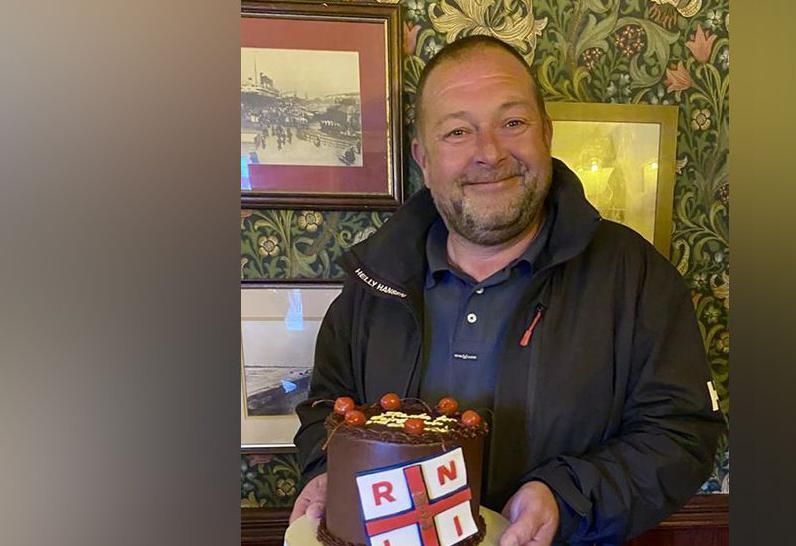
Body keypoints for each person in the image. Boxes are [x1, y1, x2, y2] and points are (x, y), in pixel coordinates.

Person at [290, 35, 724, 545]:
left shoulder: (637, 277)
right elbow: (327, 411)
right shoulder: (370, 280)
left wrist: (564, 498)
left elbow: (681, 433)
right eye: (457, 132)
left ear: (546, 133)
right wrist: (326, 473)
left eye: (512, 123)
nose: (489, 153)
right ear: (423, 158)